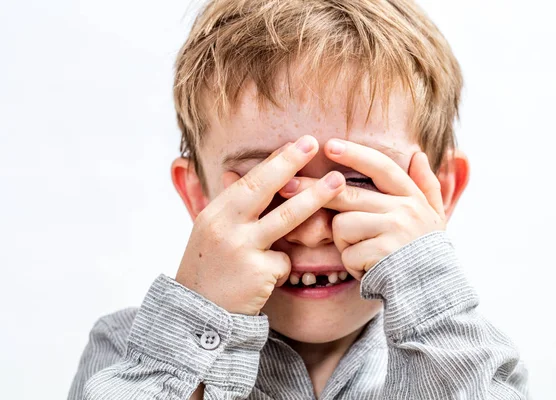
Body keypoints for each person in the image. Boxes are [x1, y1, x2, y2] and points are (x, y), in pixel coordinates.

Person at [67, 0, 530, 399]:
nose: (312, 229)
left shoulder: (468, 352)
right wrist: (196, 320)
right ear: (199, 196)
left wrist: (427, 290)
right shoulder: (130, 353)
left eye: (360, 180)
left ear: (441, 192)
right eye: (269, 184)